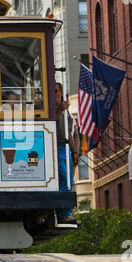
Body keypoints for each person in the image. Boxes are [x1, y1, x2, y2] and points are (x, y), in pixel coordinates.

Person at [55, 82, 80, 224]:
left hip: (66, 148)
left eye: (56, 91)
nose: (55, 93)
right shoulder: (52, 108)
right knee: (63, 178)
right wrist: (59, 109)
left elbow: (69, 133)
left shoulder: (67, 113)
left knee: (69, 181)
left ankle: (69, 212)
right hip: (56, 146)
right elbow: (50, 123)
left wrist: (74, 151)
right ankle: (62, 213)